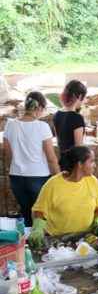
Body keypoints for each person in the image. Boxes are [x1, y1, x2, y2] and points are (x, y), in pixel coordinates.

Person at [28, 146, 98, 247]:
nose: (95, 165)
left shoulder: (93, 181)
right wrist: (37, 228)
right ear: (80, 164)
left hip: (85, 239)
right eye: (91, 161)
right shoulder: (53, 185)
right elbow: (39, 211)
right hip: (58, 240)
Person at [4, 92, 60, 226]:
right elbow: (51, 158)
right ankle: (41, 244)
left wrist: (16, 165)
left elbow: (8, 154)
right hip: (38, 177)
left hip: (16, 177)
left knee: (26, 214)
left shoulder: (10, 125)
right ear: (39, 108)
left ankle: (27, 244)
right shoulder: (42, 127)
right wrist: (59, 177)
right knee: (40, 215)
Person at [53, 80, 87, 155]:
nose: (85, 101)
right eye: (84, 98)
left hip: (63, 160)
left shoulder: (56, 115)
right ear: (80, 96)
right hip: (73, 164)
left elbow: (59, 142)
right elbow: (79, 149)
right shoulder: (77, 118)